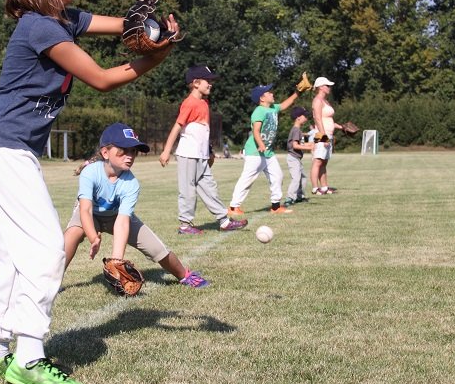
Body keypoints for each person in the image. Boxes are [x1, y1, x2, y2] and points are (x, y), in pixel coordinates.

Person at [0, 0, 180, 384]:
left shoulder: (62, 19)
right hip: (4, 149)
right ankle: (27, 358)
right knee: (45, 251)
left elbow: (123, 24)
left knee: (12, 255)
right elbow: (103, 79)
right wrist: (156, 56)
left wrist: (148, 28)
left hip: (4, 148)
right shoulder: (40, 29)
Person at [63, 123, 208, 288]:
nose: (130, 155)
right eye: (123, 150)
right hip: (91, 215)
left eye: (133, 151)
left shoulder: (131, 183)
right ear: (105, 152)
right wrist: (93, 237)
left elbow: (122, 221)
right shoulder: (90, 172)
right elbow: (85, 210)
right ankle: (50, 281)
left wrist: (117, 261)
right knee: (72, 234)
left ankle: (184, 274)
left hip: (116, 216)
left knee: (157, 249)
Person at [159, 66, 248, 234]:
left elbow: (203, 131)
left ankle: (224, 221)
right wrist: (166, 151)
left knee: (209, 188)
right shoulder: (189, 103)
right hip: (187, 154)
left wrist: (209, 151)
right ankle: (185, 225)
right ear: (196, 83)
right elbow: (177, 127)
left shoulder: (204, 103)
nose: (211, 84)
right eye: (208, 81)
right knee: (188, 190)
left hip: (200, 155)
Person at [228, 79, 303, 215]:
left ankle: (275, 206)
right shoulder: (259, 111)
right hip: (254, 151)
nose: (272, 93)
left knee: (277, 176)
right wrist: (261, 144)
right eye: (269, 92)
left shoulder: (273, 108)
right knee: (247, 179)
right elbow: (256, 130)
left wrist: (297, 93)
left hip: (267, 152)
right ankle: (233, 207)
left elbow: (286, 104)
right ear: (262, 98)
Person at [310, 76, 348, 196]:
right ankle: (315, 188)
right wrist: (323, 136)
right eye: (327, 86)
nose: (329, 88)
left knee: (324, 162)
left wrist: (342, 127)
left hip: (328, 134)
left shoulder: (326, 101)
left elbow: (329, 120)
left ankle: (324, 187)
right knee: (317, 161)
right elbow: (317, 119)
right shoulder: (317, 101)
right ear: (321, 87)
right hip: (321, 134)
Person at [284, 106, 314, 207]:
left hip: (297, 158)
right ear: (298, 118)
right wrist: (308, 148)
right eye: (304, 116)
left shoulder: (298, 130)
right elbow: (295, 145)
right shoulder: (296, 130)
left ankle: (299, 196)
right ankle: (289, 198)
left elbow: (299, 144)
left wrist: (308, 145)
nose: (306, 118)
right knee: (296, 178)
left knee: (303, 177)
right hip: (293, 158)